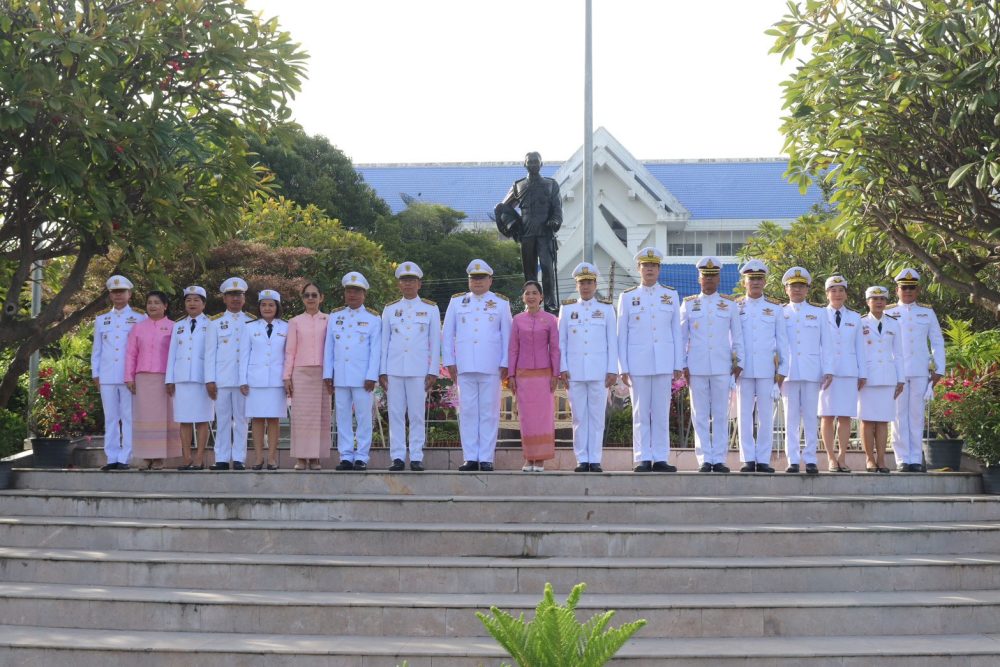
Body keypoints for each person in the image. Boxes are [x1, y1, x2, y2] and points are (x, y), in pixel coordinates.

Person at [442, 259, 512, 471]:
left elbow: (508, 336)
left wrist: (505, 362)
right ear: (469, 280)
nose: (477, 282)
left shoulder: (501, 303)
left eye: (482, 278)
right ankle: (471, 457)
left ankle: (486, 458)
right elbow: (447, 334)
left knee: (489, 413)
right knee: (468, 412)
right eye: (474, 278)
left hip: (491, 366)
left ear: (490, 280)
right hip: (464, 366)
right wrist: (450, 361)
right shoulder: (457, 302)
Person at [617, 248, 683, 473]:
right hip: (638, 363)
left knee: (661, 412)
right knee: (640, 412)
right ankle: (643, 457)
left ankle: (661, 457)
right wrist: (623, 367)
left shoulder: (670, 295)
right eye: (645, 266)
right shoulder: (628, 297)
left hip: (664, 362)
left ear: (659, 269)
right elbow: (622, 334)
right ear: (639, 269)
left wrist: (677, 363)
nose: (649, 269)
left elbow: (676, 332)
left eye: (653, 266)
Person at [680, 256, 744, 473]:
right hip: (696, 366)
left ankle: (719, 458)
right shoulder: (688, 304)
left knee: (720, 414)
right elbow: (681, 337)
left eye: (712, 276)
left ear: (719, 279)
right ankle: (704, 459)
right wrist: (682, 364)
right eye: (705, 276)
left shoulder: (729, 304)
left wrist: (738, 361)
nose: (708, 279)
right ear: (699, 279)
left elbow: (737, 336)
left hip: (722, 366)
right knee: (699, 414)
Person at [379, 262, 441, 472]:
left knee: (416, 415)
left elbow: (435, 342)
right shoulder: (389, 309)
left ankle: (416, 456)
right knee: (395, 414)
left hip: (418, 370)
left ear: (419, 284)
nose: (408, 284)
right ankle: (397, 457)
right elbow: (384, 343)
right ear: (399, 284)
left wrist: (433, 370)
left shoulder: (430, 308)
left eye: (412, 281)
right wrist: (382, 371)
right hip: (394, 369)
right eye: (404, 281)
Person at [558, 262, 617, 473]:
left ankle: (595, 459)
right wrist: (562, 368)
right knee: (579, 418)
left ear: (595, 285)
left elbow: (612, 342)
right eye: (582, 283)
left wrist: (612, 369)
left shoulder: (606, 309)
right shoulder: (567, 309)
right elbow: (561, 342)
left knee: (597, 418)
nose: (585, 287)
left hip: (599, 372)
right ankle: (582, 459)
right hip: (574, 372)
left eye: (589, 283)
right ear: (576, 285)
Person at [886, 268, 945, 473]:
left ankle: (916, 458)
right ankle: (902, 459)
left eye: (911, 288)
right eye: (904, 288)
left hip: (920, 369)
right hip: (897, 371)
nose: (908, 291)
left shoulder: (927, 312)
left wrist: (939, 368)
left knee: (917, 415)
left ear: (918, 290)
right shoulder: (888, 312)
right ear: (897, 290)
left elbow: (937, 340)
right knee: (898, 416)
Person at [323, 272, 382, 471]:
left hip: (362, 377)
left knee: (364, 418)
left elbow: (376, 351)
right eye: (349, 291)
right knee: (342, 417)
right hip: (340, 376)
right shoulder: (335, 316)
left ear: (364, 294)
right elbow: (329, 348)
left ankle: (362, 457)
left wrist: (372, 375)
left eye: (356, 291)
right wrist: (328, 374)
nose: (352, 295)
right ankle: (346, 456)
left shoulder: (373, 318)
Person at [735, 260, 788, 473]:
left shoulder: (775, 308)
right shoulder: (736, 307)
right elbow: (731, 339)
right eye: (751, 279)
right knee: (744, 415)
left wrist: (782, 370)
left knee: (766, 416)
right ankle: (748, 458)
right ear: (744, 282)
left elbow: (782, 341)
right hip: (743, 369)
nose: (755, 282)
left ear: (765, 282)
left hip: (767, 370)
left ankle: (763, 459)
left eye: (759, 279)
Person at [780, 267, 834, 474]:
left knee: (811, 417)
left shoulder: (819, 313)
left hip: (812, 371)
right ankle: (792, 460)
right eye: (793, 286)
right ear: (786, 289)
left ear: (807, 289)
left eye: (801, 286)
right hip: (788, 372)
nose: (797, 290)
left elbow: (826, 344)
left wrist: (828, 369)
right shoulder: (780, 312)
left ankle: (811, 459)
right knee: (790, 418)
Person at [92, 275, 146, 470]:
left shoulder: (139, 318)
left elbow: (141, 349)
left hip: (128, 376)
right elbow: (97, 350)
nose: (118, 295)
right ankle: (111, 457)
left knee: (128, 417)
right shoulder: (101, 319)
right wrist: (95, 374)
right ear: (110, 295)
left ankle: (125, 457)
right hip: (107, 376)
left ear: (129, 294)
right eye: (114, 292)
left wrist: (137, 375)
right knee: (111, 418)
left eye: (122, 292)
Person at [498, 152, 563, 313]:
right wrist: (511, 224)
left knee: (547, 269)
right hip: (526, 234)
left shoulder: (551, 184)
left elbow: (557, 208)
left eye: (536, 161)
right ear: (525, 164)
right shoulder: (518, 186)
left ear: (541, 164)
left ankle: (550, 304)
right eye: (530, 162)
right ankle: (531, 303)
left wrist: (555, 221)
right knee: (529, 272)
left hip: (545, 233)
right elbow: (502, 208)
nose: (533, 164)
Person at [124, 291, 179, 470]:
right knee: (144, 417)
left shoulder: (174, 327)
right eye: (149, 302)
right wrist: (129, 377)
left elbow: (177, 355)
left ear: (165, 306)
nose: (152, 306)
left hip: (165, 379)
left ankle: (160, 457)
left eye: (157, 302)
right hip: (142, 379)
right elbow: (131, 354)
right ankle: (146, 456)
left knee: (163, 418)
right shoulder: (138, 327)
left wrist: (173, 378)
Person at [205, 277, 256, 471]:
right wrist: (210, 379)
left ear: (244, 298)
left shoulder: (252, 321)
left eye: (239, 295)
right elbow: (210, 353)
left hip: (244, 380)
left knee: (242, 420)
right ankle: (222, 458)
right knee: (223, 420)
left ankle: (240, 458)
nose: (235, 299)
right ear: (224, 298)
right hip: (222, 379)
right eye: (231, 295)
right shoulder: (215, 322)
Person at [509, 280, 560, 472]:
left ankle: (541, 459)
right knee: (526, 417)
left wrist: (555, 373)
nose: (531, 296)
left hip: (544, 375)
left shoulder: (551, 320)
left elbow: (554, 349)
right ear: (523, 297)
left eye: (534, 293)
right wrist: (511, 374)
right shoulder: (517, 320)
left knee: (543, 417)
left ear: (541, 297)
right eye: (527, 293)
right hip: (523, 375)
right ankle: (529, 458)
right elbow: (513, 349)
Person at [819, 275, 867, 473]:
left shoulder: (855, 317)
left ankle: (842, 456)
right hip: (827, 372)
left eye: (841, 290)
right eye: (833, 290)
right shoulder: (820, 315)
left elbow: (860, 347)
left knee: (846, 416)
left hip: (848, 371)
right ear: (827, 294)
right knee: (827, 416)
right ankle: (830, 457)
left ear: (846, 294)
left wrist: (862, 373)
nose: (837, 294)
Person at [283, 282, 331, 471]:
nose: (310, 298)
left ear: (321, 297)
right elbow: (290, 351)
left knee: (321, 417)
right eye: (307, 295)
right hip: (301, 372)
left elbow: (332, 349)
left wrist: (332, 374)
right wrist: (287, 376)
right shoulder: (294, 321)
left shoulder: (329, 320)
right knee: (301, 417)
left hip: (322, 373)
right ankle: (301, 457)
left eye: (314, 295)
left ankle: (316, 457)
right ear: (302, 299)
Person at [165, 286, 213, 470]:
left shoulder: (211, 324)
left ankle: (199, 458)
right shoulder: (178, 326)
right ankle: (186, 458)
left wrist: (212, 379)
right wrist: (169, 379)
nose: (192, 303)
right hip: (182, 377)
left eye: (196, 300)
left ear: (204, 304)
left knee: (202, 418)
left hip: (203, 379)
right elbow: (172, 354)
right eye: (188, 300)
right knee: (183, 419)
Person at [239, 290, 287, 471]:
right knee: (257, 419)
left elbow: (288, 354)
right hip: (255, 380)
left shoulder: (286, 327)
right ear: (259, 307)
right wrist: (242, 379)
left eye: (271, 305)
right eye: (264, 305)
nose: (267, 308)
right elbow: (244, 355)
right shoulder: (249, 327)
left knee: (274, 420)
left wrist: (288, 378)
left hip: (277, 380)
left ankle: (272, 458)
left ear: (277, 307)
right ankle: (258, 457)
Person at [859, 286, 905, 473]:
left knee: (883, 420)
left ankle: (881, 459)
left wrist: (901, 379)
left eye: (882, 299)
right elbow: (857, 351)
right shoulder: (860, 322)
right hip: (867, 377)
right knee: (867, 420)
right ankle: (869, 459)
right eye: (874, 299)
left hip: (887, 376)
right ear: (867, 302)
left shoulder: (894, 323)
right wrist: (860, 374)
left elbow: (899, 354)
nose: (879, 302)